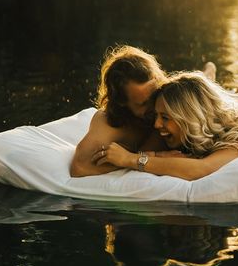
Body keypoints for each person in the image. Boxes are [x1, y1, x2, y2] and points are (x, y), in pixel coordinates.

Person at [91, 38, 238, 181]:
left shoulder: (237, 142)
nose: (156, 124)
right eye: (158, 115)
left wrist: (131, 159)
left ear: (187, 117)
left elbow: (201, 169)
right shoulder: (187, 119)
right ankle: (209, 76)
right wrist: (156, 155)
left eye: (164, 117)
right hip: (231, 106)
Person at [70, 45, 168, 176]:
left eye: (154, 96)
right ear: (121, 102)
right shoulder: (110, 123)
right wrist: (128, 160)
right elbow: (79, 167)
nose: (154, 107)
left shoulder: (171, 99)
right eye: (143, 104)